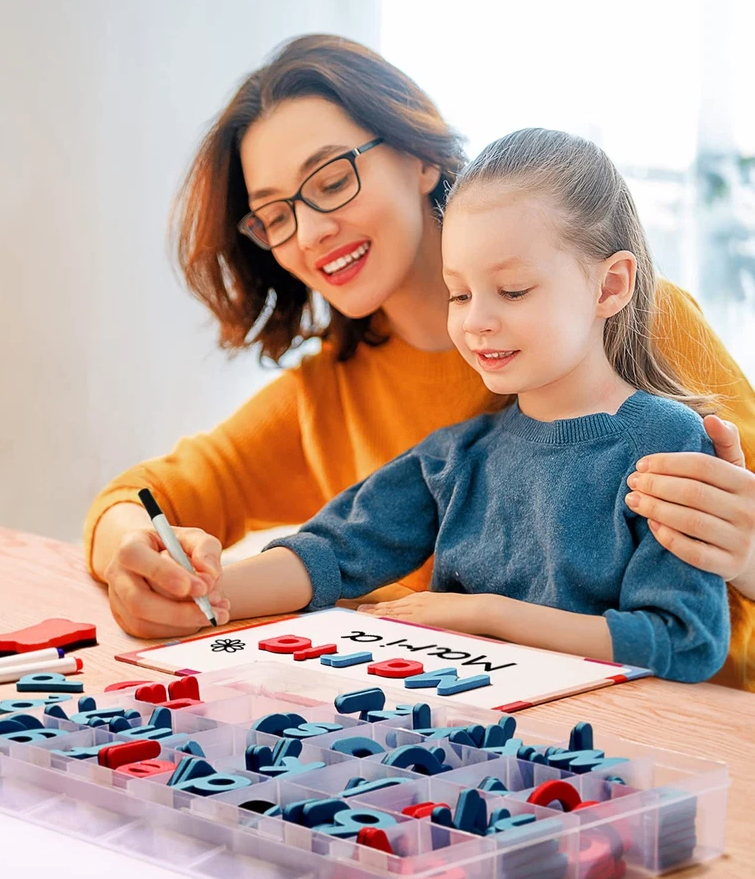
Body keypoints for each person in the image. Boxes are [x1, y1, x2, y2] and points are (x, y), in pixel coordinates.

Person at [84, 36, 755, 688]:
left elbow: (687, 633)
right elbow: (168, 504)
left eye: (331, 179)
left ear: (420, 157)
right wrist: (156, 572)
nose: (311, 229)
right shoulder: (361, 410)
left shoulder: (643, 337)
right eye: (274, 215)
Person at [203, 129, 730, 683]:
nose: (476, 321)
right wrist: (201, 592)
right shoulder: (457, 457)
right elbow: (332, 552)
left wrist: (490, 616)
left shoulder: (667, 447)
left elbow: (684, 640)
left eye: (513, 290)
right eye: (458, 293)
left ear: (609, 287)